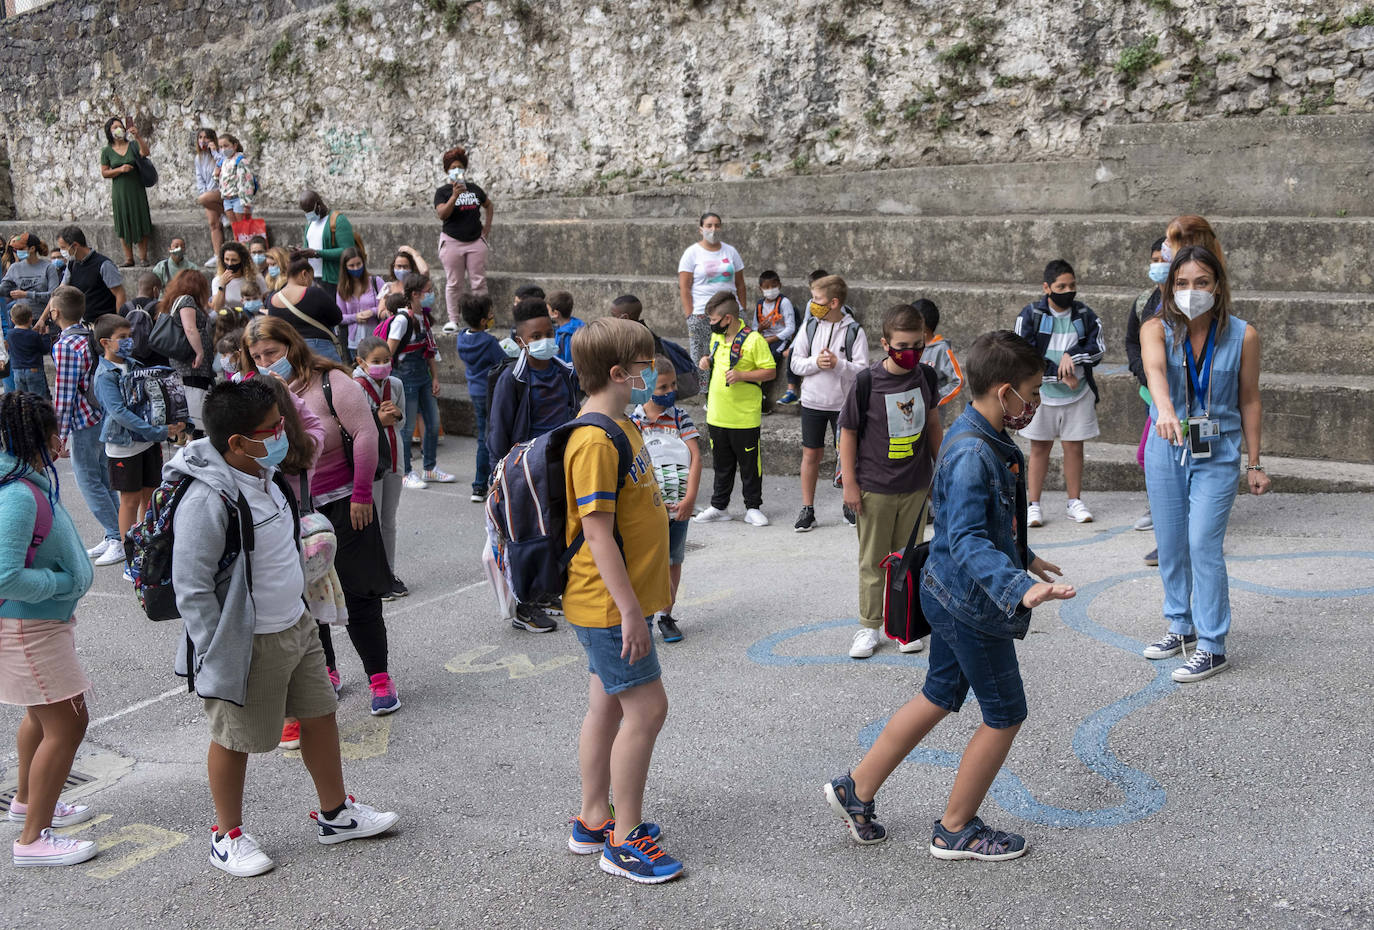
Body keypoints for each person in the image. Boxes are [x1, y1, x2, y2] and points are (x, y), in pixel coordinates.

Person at [823, 329, 1074, 861]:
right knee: (1005, 712)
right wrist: (1018, 586)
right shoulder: (971, 453)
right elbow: (964, 537)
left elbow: (983, 522)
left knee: (939, 695)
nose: (1034, 403)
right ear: (1003, 392)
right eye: (1030, 392)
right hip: (971, 602)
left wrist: (1026, 558)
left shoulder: (980, 435)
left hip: (954, 594)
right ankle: (955, 829)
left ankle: (855, 788)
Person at [169, 378, 398, 877]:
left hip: (296, 625)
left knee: (320, 715)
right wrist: (220, 649)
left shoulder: (266, 474)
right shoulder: (208, 501)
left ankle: (336, 814)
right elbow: (191, 586)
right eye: (273, 428)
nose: (283, 434)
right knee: (234, 737)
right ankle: (225, 835)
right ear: (237, 442)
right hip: (246, 642)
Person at [563, 317, 683, 884]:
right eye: (644, 367)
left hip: (615, 603)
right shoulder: (592, 439)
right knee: (647, 710)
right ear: (618, 372)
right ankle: (625, 838)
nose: (652, 375)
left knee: (608, 706)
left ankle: (593, 819)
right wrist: (633, 611)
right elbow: (596, 533)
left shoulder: (621, 424)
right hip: (611, 607)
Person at [242, 316, 401, 715]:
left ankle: (379, 678)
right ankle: (325, 670)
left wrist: (363, 494)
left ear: (291, 345)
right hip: (291, 513)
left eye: (272, 353)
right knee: (308, 598)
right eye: (257, 356)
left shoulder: (331, 381)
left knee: (359, 591)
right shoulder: (256, 391)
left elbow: (365, 433)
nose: (265, 362)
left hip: (346, 503)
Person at [1140, 245, 1269, 683]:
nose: (1191, 291)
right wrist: (1167, 410)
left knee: (1203, 544)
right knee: (1171, 543)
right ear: (1169, 286)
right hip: (1167, 444)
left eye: (1201, 282)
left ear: (1217, 286)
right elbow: (1155, 372)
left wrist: (1254, 462)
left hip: (1218, 449)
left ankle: (1213, 645)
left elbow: (1250, 399)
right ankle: (1181, 625)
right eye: (1181, 283)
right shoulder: (1155, 328)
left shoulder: (1243, 335)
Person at [0, 391, 100, 867]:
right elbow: (4, 574)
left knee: (40, 719)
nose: (61, 439)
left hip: (35, 623)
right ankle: (32, 839)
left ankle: (28, 800)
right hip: (29, 627)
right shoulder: (18, 494)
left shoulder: (23, 481)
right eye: (53, 432)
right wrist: (63, 582)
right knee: (68, 723)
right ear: (33, 439)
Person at [838, 303, 943, 659]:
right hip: (874, 488)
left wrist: (940, 471)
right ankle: (869, 627)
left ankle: (903, 626)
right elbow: (848, 433)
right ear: (885, 344)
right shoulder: (867, 382)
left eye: (917, 345)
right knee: (873, 561)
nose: (910, 353)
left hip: (915, 486)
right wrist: (850, 483)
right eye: (902, 346)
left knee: (907, 561)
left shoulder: (926, 377)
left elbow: (932, 425)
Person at [1127, 217, 1229, 565]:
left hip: (1199, 410)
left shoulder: (1213, 307)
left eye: (1172, 243)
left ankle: (1196, 531)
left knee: (1200, 469)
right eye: (1162, 250)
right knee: (1153, 457)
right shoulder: (1150, 305)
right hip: (1160, 401)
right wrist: (1152, 386)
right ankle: (1170, 532)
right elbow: (1144, 353)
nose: (1166, 253)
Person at [1013, 259, 1105, 527]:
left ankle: (1074, 501)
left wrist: (1071, 356)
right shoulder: (1030, 315)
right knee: (1039, 447)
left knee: (1074, 447)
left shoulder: (1085, 315)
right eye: (1061, 286)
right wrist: (1058, 374)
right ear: (1046, 287)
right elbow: (1023, 353)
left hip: (1078, 394)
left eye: (1072, 285)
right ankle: (1034, 505)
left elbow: (1097, 348)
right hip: (1040, 395)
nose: (1068, 290)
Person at [91, 314, 186, 551]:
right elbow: (119, 412)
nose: (128, 341)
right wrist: (156, 431)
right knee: (130, 500)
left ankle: (148, 543)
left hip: (148, 442)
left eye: (129, 336)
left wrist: (173, 423)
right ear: (105, 342)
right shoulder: (105, 375)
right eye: (121, 337)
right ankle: (129, 549)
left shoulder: (134, 366)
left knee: (150, 496)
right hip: (124, 446)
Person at [46, 287, 122, 564]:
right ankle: (116, 533)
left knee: (89, 480)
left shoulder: (64, 346)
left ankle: (116, 535)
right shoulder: (88, 335)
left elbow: (64, 394)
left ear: (54, 312)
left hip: (82, 419)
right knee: (104, 477)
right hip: (100, 413)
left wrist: (57, 434)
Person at [788, 273, 868, 530]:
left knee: (846, 455)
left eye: (817, 299)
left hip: (843, 405)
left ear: (834, 302)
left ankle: (849, 504)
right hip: (812, 402)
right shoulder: (809, 326)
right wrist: (816, 363)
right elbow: (795, 362)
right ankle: (807, 508)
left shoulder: (854, 331)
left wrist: (838, 365)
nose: (813, 304)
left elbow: (863, 371)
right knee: (811, 454)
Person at [629, 357, 700, 644]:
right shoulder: (634, 422)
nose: (669, 391)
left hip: (678, 507)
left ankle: (666, 615)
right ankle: (643, 614)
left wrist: (690, 499)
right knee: (645, 562)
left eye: (672, 385)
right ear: (645, 388)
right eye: (661, 386)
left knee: (672, 560)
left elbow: (695, 456)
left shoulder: (680, 416)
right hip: (647, 510)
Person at [692, 290, 775, 526]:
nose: (711, 324)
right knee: (721, 464)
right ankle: (719, 506)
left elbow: (770, 371)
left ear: (727, 318)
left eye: (713, 320)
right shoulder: (717, 338)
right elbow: (715, 359)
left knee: (749, 465)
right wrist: (706, 360)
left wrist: (742, 375)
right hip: (717, 415)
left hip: (744, 417)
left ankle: (753, 507)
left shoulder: (753, 340)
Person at [487, 297, 579, 465]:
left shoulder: (566, 372)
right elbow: (498, 430)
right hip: (528, 466)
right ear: (520, 342)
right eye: (536, 337)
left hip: (563, 460)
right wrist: (497, 474)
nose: (544, 340)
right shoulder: (512, 378)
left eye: (549, 334)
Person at [384, 276, 454, 489]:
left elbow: (429, 350)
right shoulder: (402, 320)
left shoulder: (423, 317)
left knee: (433, 423)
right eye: (429, 291)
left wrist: (435, 377)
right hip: (406, 378)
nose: (431, 295)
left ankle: (430, 468)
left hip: (423, 376)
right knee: (406, 428)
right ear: (416, 294)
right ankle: (405, 473)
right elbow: (389, 352)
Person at [353, 335, 407, 598]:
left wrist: (396, 414)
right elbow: (352, 429)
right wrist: (377, 418)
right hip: (369, 463)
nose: (383, 365)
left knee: (389, 520)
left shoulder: (395, 384)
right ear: (361, 362)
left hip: (395, 460)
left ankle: (389, 572)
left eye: (387, 360)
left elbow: (402, 421)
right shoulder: (354, 386)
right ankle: (372, 575)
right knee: (369, 521)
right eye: (376, 361)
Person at [677, 212, 746, 380]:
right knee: (703, 358)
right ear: (701, 229)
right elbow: (684, 287)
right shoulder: (692, 253)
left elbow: (740, 284)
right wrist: (690, 315)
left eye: (716, 225)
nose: (713, 229)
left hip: (730, 313)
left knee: (735, 353)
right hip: (702, 315)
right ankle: (708, 399)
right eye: (709, 226)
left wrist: (742, 308)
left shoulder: (731, 252)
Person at [434, 146, 494, 334]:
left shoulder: (475, 189)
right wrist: (454, 196)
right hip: (452, 242)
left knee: (479, 282)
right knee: (454, 283)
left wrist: (487, 228)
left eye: (460, 166)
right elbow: (442, 214)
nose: (457, 170)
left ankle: (482, 320)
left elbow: (488, 205)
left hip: (475, 241)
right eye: (453, 167)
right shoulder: (443, 192)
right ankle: (453, 319)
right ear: (447, 171)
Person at [455, 293, 506, 502]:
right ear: (484, 320)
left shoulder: (461, 338)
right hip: (491, 392)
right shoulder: (489, 341)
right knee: (491, 437)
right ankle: (485, 483)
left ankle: (478, 486)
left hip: (475, 392)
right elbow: (503, 361)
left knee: (481, 436)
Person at [161, 270, 216, 431]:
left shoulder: (180, 301)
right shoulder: (187, 300)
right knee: (194, 403)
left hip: (191, 366)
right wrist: (199, 352)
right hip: (190, 365)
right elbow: (190, 328)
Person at [267, 252, 344, 362]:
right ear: (304, 274)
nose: (310, 282)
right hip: (320, 350)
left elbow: (274, 329)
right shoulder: (314, 293)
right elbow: (337, 318)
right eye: (311, 278)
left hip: (292, 352)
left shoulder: (273, 299)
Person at [97, 116, 152, 266]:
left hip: (136, 189)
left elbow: (145, 153)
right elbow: (104, 173)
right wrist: (120, 169)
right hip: (119, 192)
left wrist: (138, 136)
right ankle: (128, 258)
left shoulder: (133, 145)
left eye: (120, 126)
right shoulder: (107, 151)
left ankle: (143, 257)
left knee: (140, 219)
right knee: (123, 221)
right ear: (109, 131)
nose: (118, 129)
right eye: (114, 127)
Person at [55, 227, 125, 324]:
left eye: (63, 248)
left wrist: (119, 322)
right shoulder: (72, 264)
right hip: (83, 323)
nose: (62, 252)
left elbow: (119, 294)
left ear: (75, 245)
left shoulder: (103, 264)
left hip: (103, 324)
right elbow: (60, 291)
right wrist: (43, 318)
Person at [298, 190, 353, 299]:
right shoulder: (310, 223)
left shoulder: (338, 220)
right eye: (305, 211)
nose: (308, 214)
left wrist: (317, 253)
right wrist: (301, 252)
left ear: (318, 204)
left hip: (332, 281)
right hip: (312, 280)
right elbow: (307, 248)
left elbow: (348, 251)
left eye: (310, 210)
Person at [753, 269, 796, 402]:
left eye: (773, 286)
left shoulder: (784, 303)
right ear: (760, 289)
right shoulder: (760, 305)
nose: (770, 290)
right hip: (764, 338)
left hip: (780, 339)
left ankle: (763, 392)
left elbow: (790, 328)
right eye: (766, 287)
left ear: (779, 285)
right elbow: (754, 327)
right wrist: (759, 329)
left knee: (771, 357)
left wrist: (772, 339)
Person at [335, 247, 385, 362]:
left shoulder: (376, 282)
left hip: (376, 338)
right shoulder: (342, 289)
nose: (356, 268)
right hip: (354, 342)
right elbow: (340, 317)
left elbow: (387, 307)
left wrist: (372, 312)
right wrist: (356, 317)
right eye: (351, 266)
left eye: (359, 264)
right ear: (345, 267)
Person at [914, 299, 964, 410]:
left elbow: (958, 380)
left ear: (923, 325)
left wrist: (934, 398)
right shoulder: (909, 347)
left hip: (933, 412)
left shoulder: (941, 349)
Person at [193, 128, 226, 261]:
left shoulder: (219, 153)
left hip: (222, 191)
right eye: (200, 137)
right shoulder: (199, 158)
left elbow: (224, 164)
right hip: (208, 193)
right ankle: (217, 255)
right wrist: (204, 192)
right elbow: (199, 177)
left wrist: (214, 151)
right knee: (213, 223)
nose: (203, 141)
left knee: (202, 199)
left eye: (206, 137)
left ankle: (226, 213)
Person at [7, 303, 52, 399]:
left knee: (22, 398)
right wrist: (46, 336)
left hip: (17, 372)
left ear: (13, 320)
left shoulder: (10, 334)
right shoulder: (34, 335)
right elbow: (44, 349)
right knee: (37, 399)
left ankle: (25, 414)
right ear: (31, 318)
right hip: (34, 370)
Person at [216, 133, 255, 226]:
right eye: (220, 147)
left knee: (242, 227)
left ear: (234, 145)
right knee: (235, 227)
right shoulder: (224, 162)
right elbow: (223, 182)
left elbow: (245, 182)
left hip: (238, 199)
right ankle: (236, 241)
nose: (223, 149)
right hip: (227, 199)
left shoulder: (240, 161)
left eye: (226, 146)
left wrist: (246, 203)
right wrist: (216, 175)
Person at [211, 242, 260, 312]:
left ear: (242, 261)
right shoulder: (217, 280)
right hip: (229, 317)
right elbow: (216, 308)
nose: (230, 263)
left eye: (234, 260)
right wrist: (222, 285)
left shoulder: (255, 278)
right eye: (227, 259)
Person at [548, 291, 584, 364]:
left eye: (548, 309)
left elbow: (569, 363)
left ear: (555, 313)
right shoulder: (579, 324)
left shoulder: (567, 336)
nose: (547, 312)